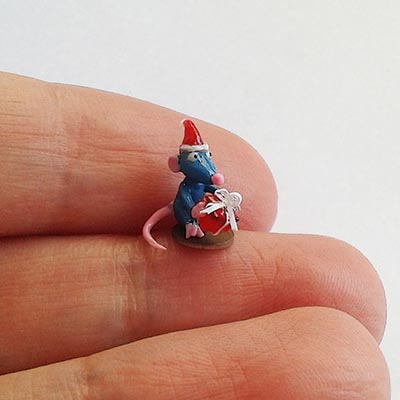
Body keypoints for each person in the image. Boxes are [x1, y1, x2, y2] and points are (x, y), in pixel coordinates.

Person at [0, 72, 389, 399]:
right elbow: (182, 204)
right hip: (189, 215)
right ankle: (193, 228)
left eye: (206, 160)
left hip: (206, 212)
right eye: (198, 161)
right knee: (188, 212)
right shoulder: (187, 187)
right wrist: (188, 217)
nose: (207, 167)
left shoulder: (205, 177)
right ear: (180, 164)